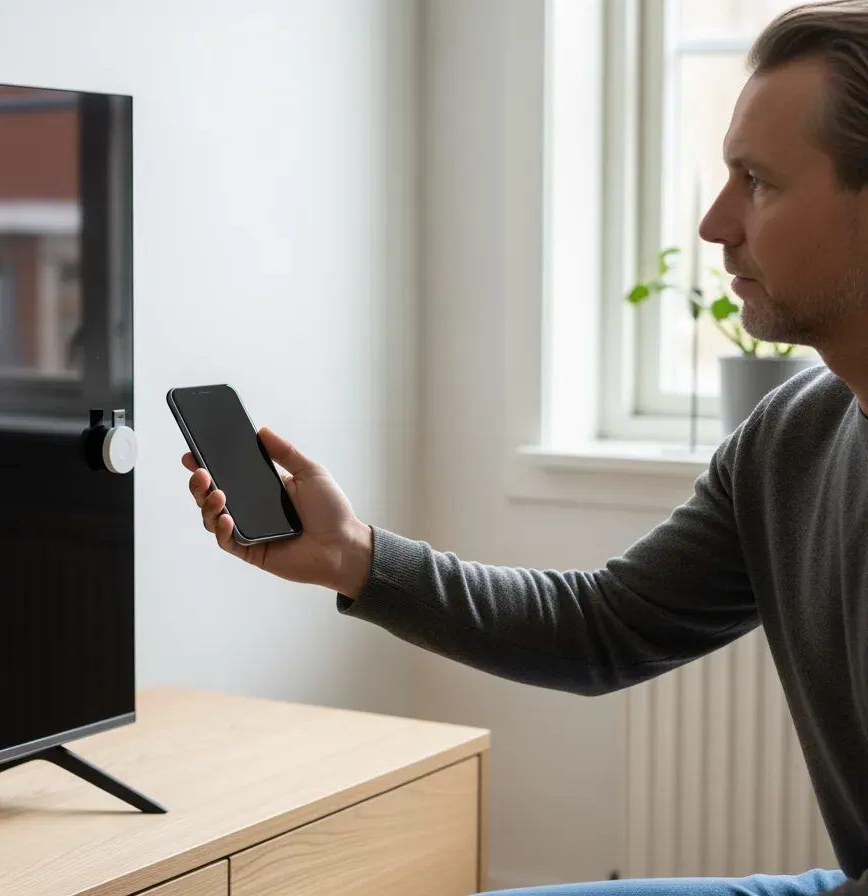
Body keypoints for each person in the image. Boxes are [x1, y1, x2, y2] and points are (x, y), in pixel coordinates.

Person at [182, 3, 866, 896]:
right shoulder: (792, 437)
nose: (714, 222)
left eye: (758, 182)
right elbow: (603, 628)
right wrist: (356, 559)